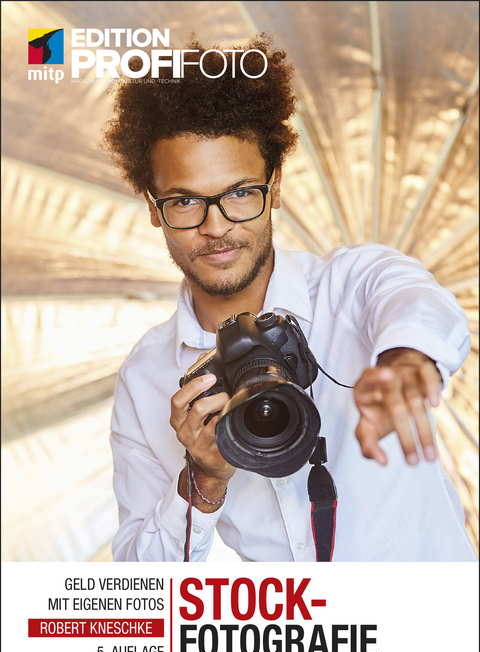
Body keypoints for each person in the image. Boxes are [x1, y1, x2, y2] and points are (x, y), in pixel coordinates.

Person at [103, 34, 476, 562]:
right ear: (152, 205)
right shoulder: (145, 379)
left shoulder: (350, 285)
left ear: (274, 185)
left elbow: (411, 296)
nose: (216, 227)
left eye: (239, 193)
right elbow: (141, 592)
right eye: (185, 200)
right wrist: (204, 479)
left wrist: (406, 357)